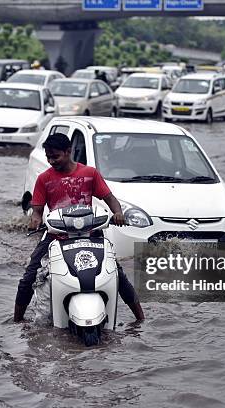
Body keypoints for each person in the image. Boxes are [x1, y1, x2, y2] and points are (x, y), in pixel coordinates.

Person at [14, 133, 145, 323]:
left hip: (91, 233)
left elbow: (110, 199)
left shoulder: (89, 174)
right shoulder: (44, 179)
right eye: (48, 157)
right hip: (56, 235)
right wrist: (35, 219)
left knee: (116, 273)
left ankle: (140, 320)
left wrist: (118, 214)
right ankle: (17, 321)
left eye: (55, 156)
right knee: (29, 276)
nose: (51, 161)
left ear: (69, 152)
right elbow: (37, 209)